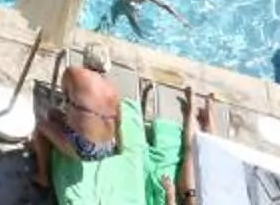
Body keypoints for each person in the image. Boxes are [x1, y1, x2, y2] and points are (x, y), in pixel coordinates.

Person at [31, 66, 214, 204]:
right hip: (105, 147)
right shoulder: (112, 97)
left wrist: (171, 194)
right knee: (54, 116)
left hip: (86, 150)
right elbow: (116, 124)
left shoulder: (99, 96)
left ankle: (42, 176)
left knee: (43, 127)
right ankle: (205, 119)